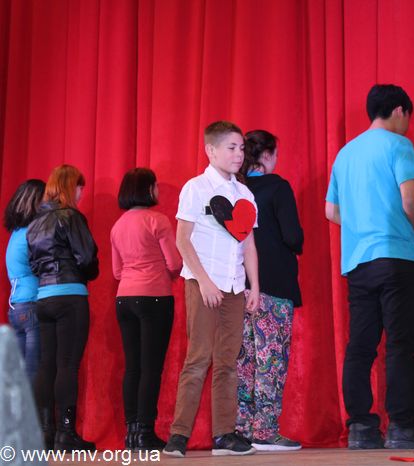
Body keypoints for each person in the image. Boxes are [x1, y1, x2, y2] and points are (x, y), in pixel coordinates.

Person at [325, 84, 414, 450]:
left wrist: (361, 224)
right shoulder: (398, 145)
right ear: (399, 110)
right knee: (400, 344)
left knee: (361, 345)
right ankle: (402, 427)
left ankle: (360, 427)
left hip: (358, 261)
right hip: (397, 255)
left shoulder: (345, 153)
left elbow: (331, 211)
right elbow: (410, 197)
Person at [163, 121, 260, 458]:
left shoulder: (245, 194)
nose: (238, 154)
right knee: (198, 358)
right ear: (211, 150)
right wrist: (204, 281)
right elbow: (182, 240)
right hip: (203, 283)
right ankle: (178, 435)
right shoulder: (196, 188)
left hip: (234, 285)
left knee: (228, 361)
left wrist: (254, 286)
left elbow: (249, 245)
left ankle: (225, 434)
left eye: (242, 148)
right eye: (231, 147)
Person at [235, 130, 304, 451]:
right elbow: (293, 236)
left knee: (244, 360)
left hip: (238, 285)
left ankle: (241, 428)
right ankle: (264, 430)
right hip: (273, 282)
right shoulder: (278, 187)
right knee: (270, 358)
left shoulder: (235, 189)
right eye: (275, 154)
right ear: (266, 156)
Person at [27, 164, 98, 451]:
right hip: (70, 294)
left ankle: (46, 433)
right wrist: (89, 272)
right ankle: (66, 433)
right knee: (67, 364)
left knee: (47, 364)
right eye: (79, 186)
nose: (81, 192)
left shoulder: (35, 223)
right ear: (71, 187)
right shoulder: (71, 216)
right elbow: (87, 256)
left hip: (43, 297)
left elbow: (33, 264)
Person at [111, 168, 182, 450]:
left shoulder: (118, 226)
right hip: (154, 296)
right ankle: (145, 431)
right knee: (151, 368)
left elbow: (117, 271)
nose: (158, 190)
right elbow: (174, 263)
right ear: (148, 189)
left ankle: (131, 432)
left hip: (124, 298)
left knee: (133, 367)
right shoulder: (157, 220)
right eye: (155, 185)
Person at [4, 179, 46, 382]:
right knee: (33, 373)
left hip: (16, 307)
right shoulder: (32, 234)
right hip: (32, 304)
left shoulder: (16, 234)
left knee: (21, 376)